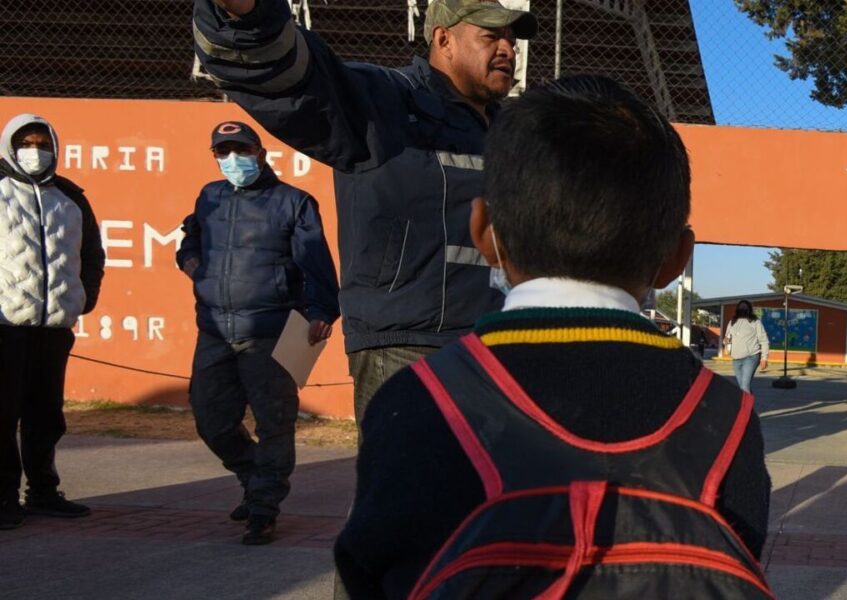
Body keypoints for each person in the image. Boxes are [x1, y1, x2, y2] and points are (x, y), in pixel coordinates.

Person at [333, 76, 772, 598]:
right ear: (677, 259)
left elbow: (373, 574)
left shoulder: (420, 400)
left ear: (483, 232)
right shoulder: (725, 418)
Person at [193, 0, 538, 425]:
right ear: (443, 39)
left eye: (511, 39)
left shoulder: (514, 132)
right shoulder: (383, 101)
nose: (507, 48)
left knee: (485, 489)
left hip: (493, 346)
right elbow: (288, 80)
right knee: (405, 488)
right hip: (408, 349)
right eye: (490, 36)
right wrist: (246, 18)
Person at [176, 121, 340, 545]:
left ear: (260, 151)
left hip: (270, 330)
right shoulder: (209, 197)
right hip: (213, 328)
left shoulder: (294, 202)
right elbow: (188, 240)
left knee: (275, 424)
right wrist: (192, 263)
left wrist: (322, 309)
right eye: (223, 152)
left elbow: (315, 262)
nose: (233, 159)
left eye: (241, 149)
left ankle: (264, 507)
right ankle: (253, 478)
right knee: (210, 419)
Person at [0, 114, 105, 530]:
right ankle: (4, 498)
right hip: (4, 327)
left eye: (42, 142)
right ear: (10, 145)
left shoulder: (71, 197)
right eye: (25, 142)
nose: (34, 150)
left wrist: (84, 298)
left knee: (47, 415)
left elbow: (92, 254)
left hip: (54, 328)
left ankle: (43, 491)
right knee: (2, 417)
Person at [724, 299, 770, 393]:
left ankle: (746, 407)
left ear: (749, 309)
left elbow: (764, 340)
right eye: (741, 306)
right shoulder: (732, 322)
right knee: (743, 387)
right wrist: (726, 343)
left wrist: (764, 358)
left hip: (751, 357)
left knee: (744, 387)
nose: (742, 308)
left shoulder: (755, 322)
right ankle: (750, 406)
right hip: (736, 358)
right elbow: (727, 338)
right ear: (737, 309)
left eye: (745, 307)